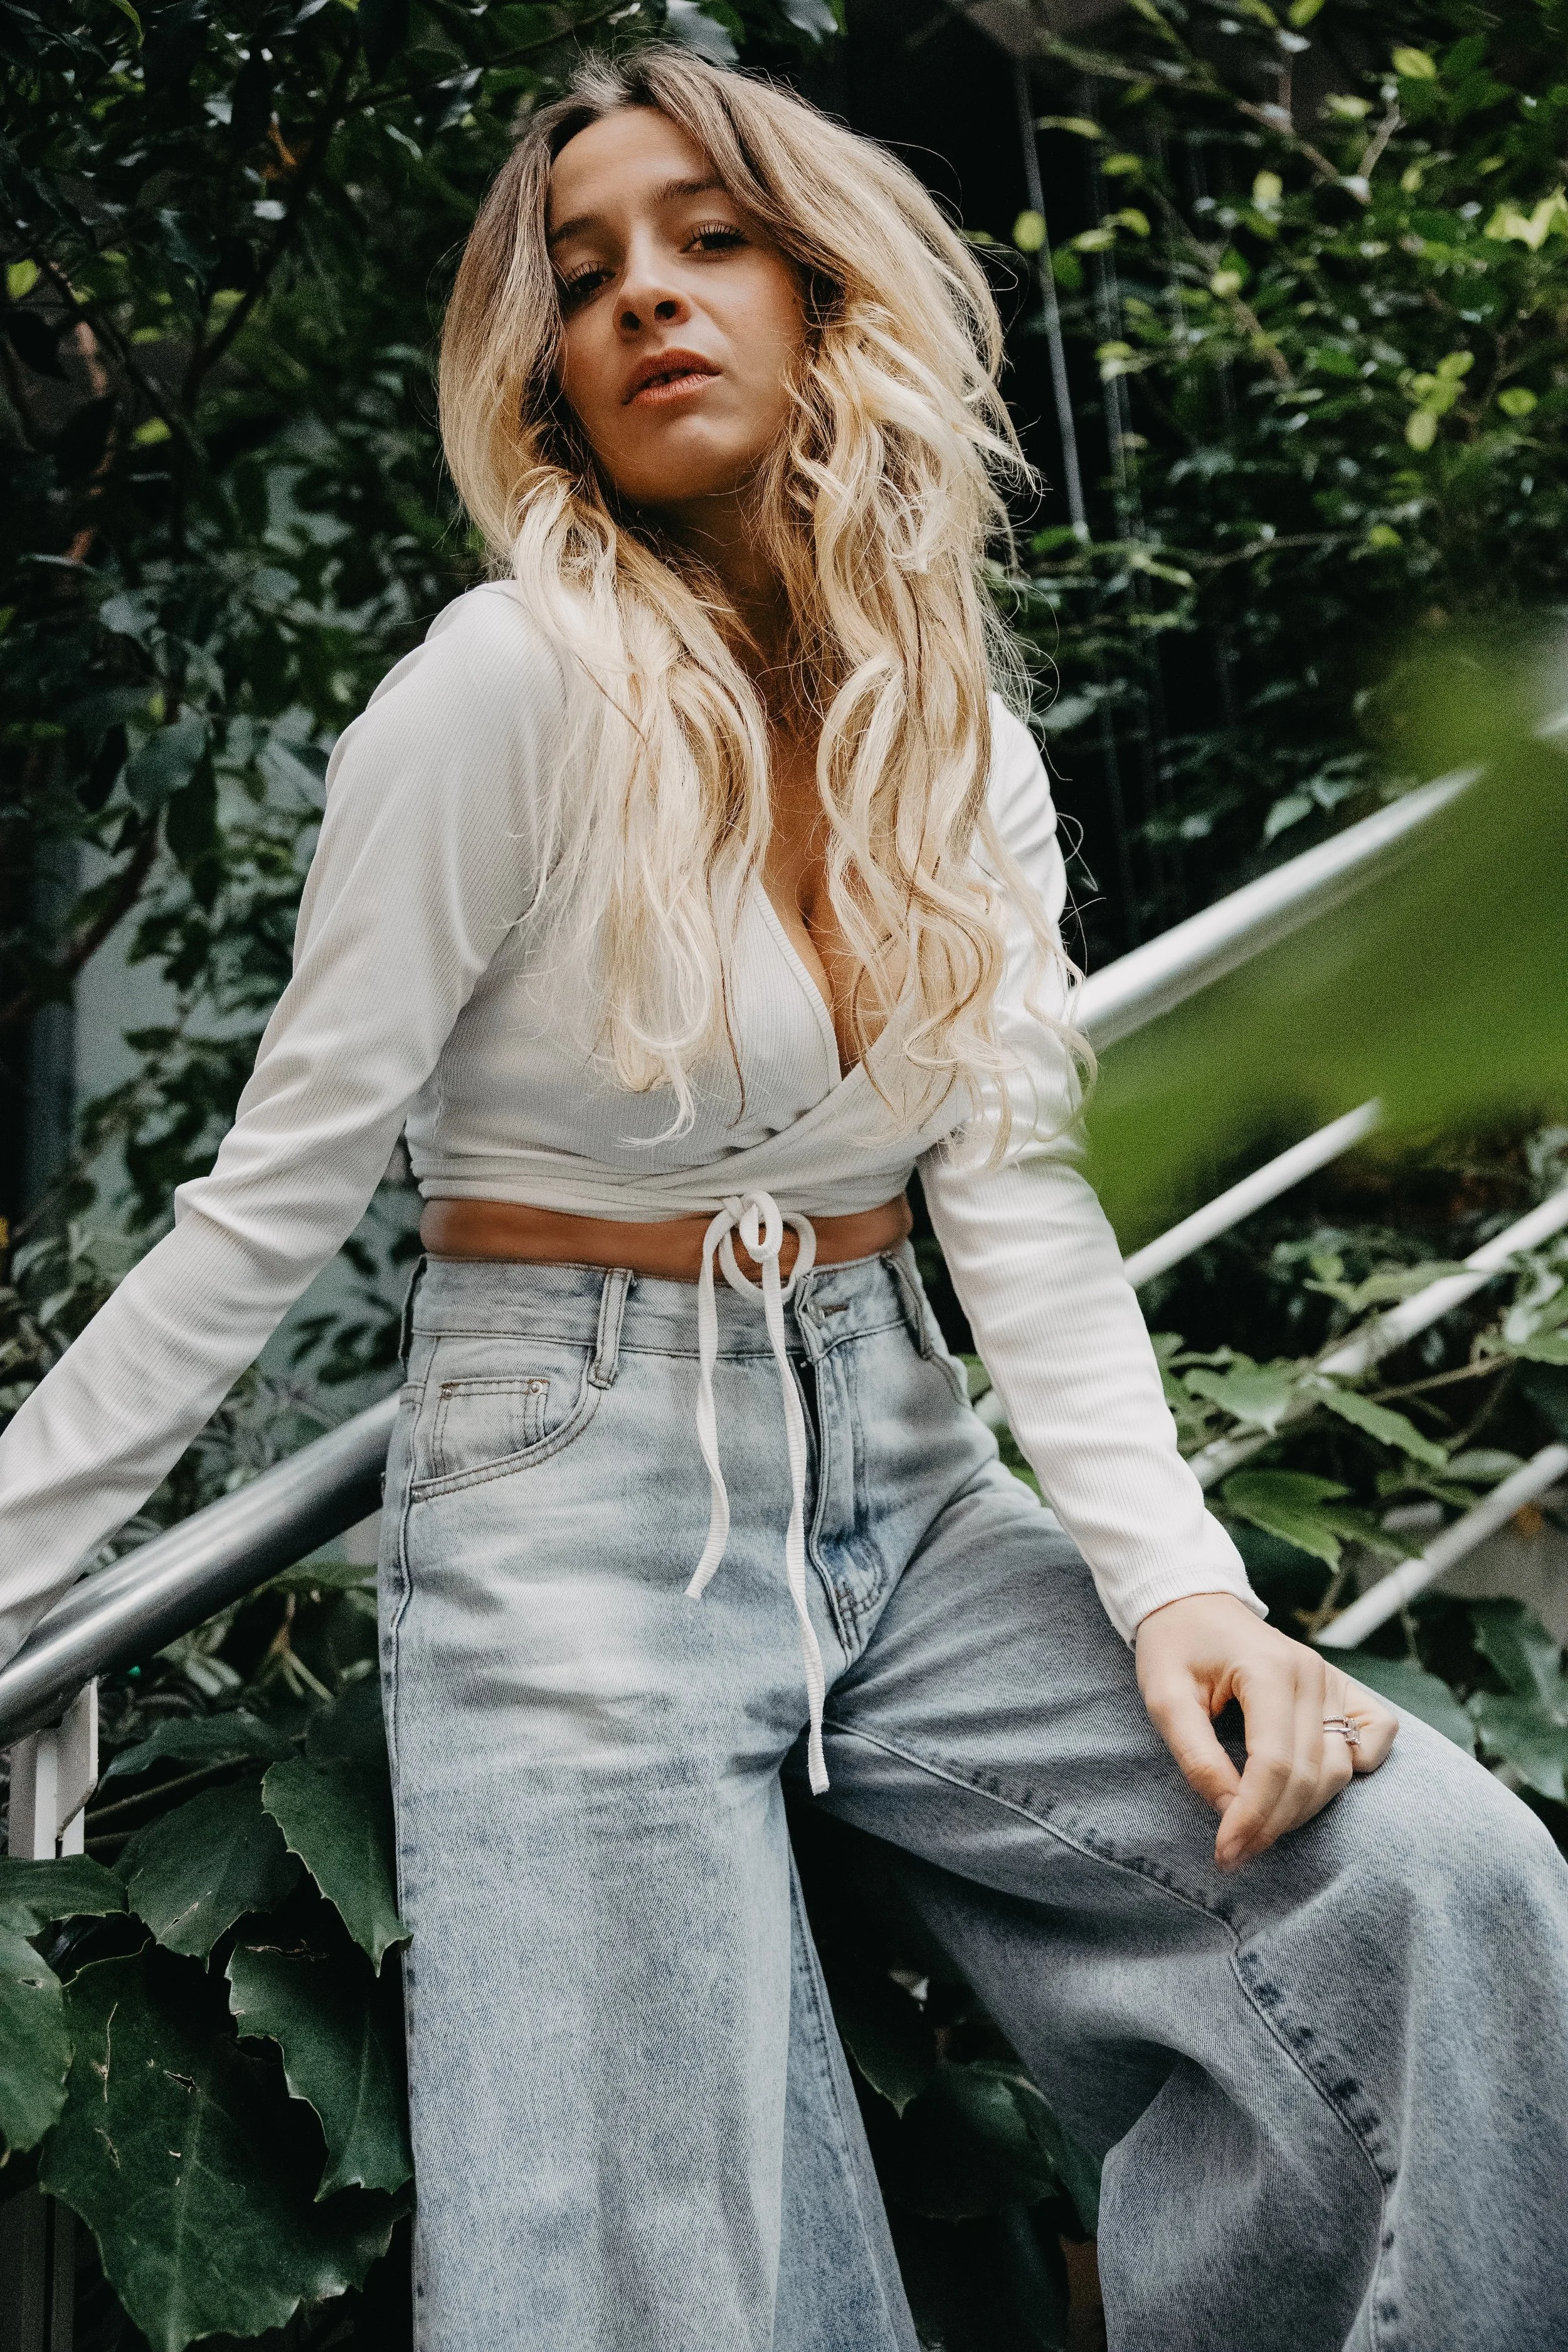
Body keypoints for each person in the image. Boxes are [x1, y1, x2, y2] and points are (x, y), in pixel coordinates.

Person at [3, 45, 1565, 2352]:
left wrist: (1177, 1584)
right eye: (582, 274)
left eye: (708, 238)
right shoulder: (497, 694)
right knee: (672, 2280)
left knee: (1421, 1879)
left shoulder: (953, 734)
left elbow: (1013, 1187)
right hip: (566, 1497)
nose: (645, 296)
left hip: (901, 1468)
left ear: (826, 291)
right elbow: (269, 1203)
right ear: (543, 369)